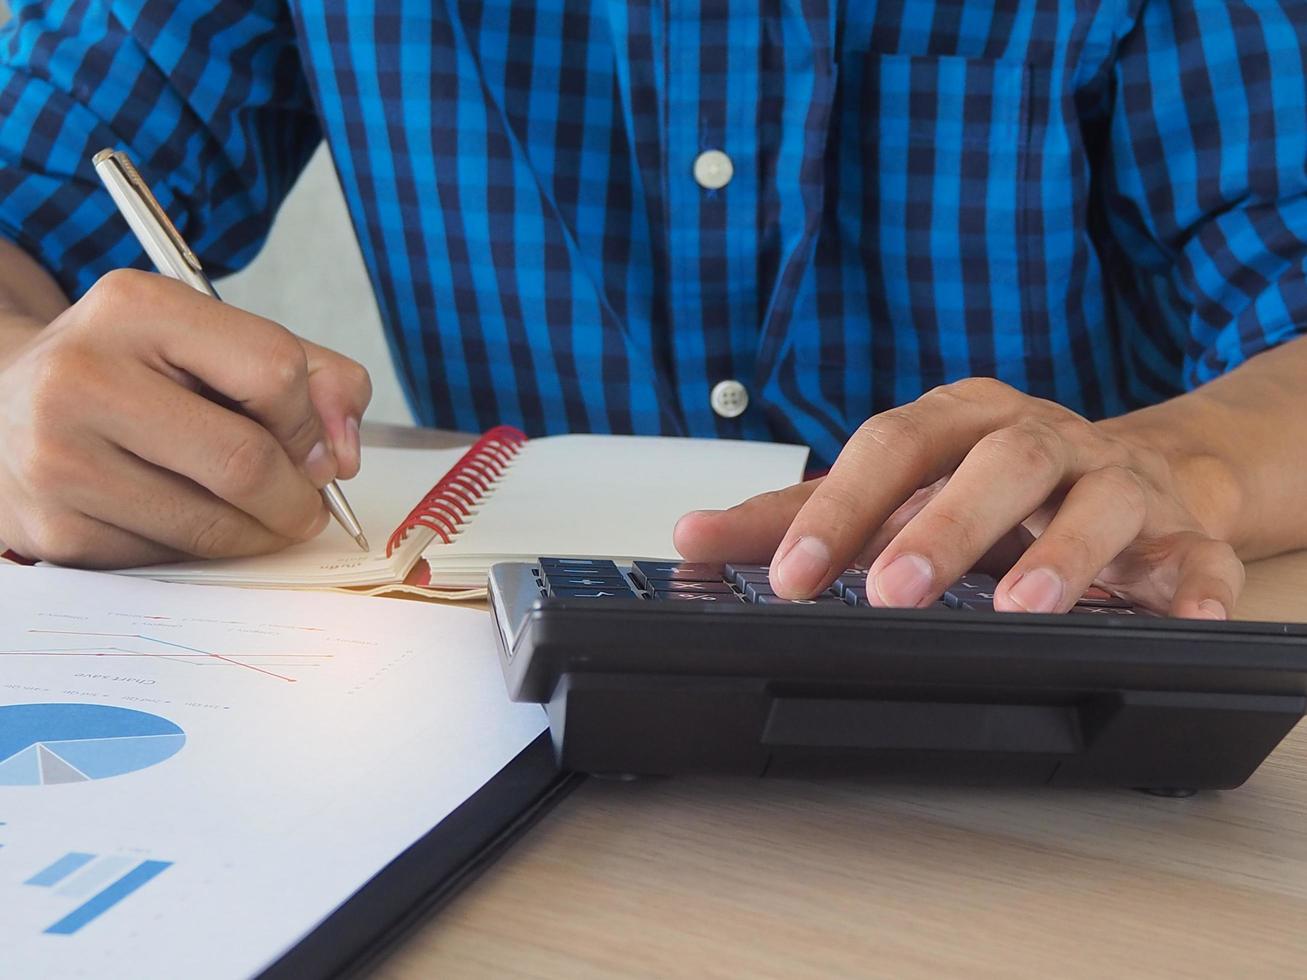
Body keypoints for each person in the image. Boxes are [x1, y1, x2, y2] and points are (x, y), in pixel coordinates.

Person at [0, 2, 1303, 619]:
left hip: (1035, 685)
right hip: (495, 718)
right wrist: (21, 397)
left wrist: (1176, 466)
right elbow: (26, 192)